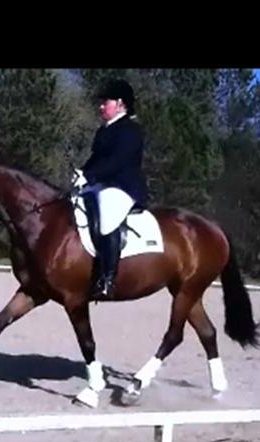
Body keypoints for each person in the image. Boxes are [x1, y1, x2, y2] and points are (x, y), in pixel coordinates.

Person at [78, 78, 147, 300]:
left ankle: (108, 278)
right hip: (101, 184)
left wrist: (90, 176)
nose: (100, 106)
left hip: (123, 187)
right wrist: (81, 173)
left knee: (107, 218)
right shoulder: (103, 131)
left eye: (105, 102)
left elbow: (118, 161)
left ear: (120, 103)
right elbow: (96, 159)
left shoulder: (131, 130)